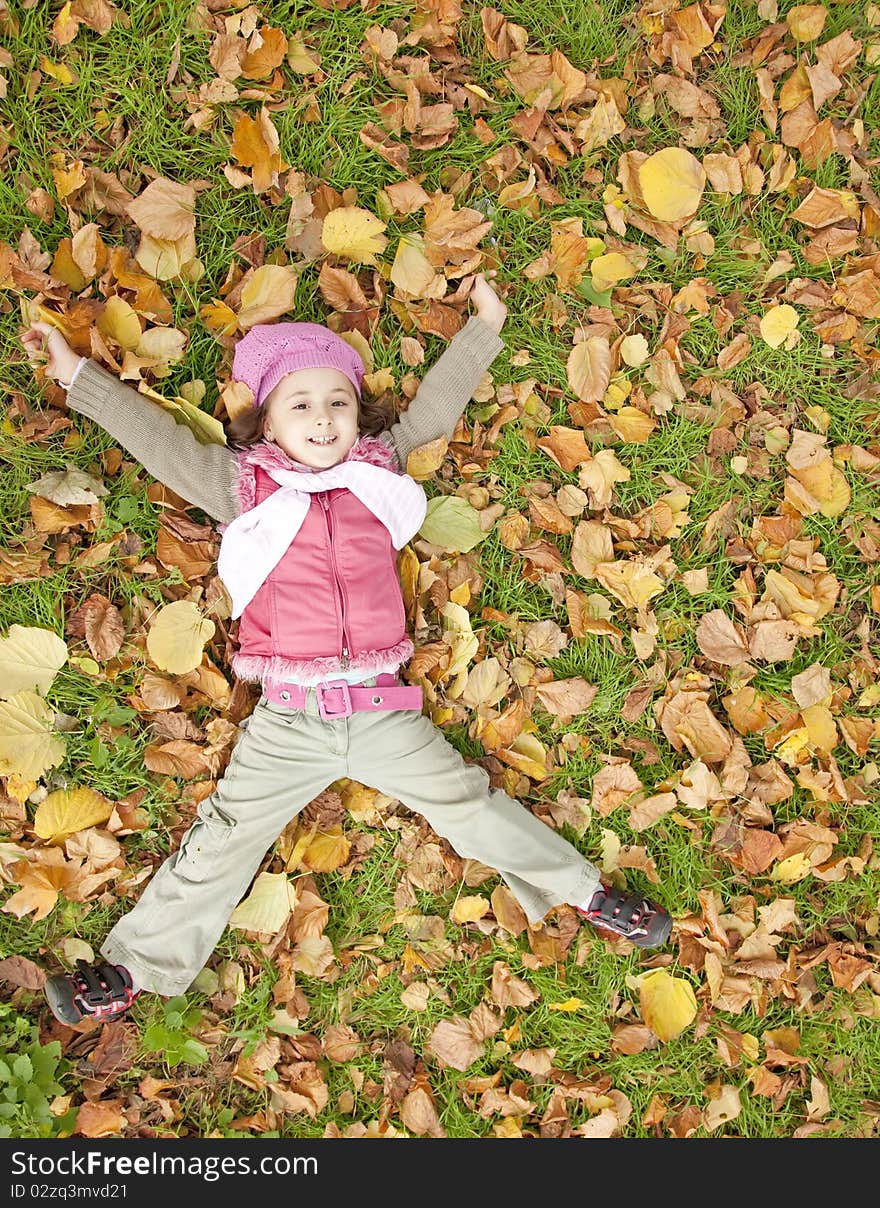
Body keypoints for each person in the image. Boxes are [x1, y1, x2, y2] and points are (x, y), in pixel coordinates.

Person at [20, 272, 671, 1025]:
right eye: (301, 404)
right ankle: (133, 969)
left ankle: (585, 893)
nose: (323, 419)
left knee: (471, 806)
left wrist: (484, 324)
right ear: (268, 423)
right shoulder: (243, 487)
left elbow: (433, 409)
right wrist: (77, 377)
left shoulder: (377, 471)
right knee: (223, 840)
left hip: (383, 712)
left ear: (358, 417)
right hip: (287, 722)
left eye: (338, 403)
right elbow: (159, 442)